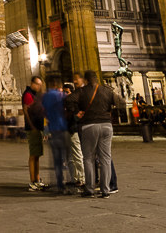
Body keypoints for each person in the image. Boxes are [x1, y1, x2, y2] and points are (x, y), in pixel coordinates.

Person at [76, 70, 117, 198]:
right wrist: (110, 112)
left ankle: (90, 189)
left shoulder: (82, 91)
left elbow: (68, 100)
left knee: (88, 158)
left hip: (90, 125)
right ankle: (106, 190)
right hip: (106, 125)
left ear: (86, 80)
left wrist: (78, 112)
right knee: (105, 158)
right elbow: (120, 101)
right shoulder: (107, 90)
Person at [41, 77, 71, 194]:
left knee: (56, 160)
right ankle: (70, 183)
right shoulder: (60, 95)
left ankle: (59, 184)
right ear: (56, 84)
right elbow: (69, 104)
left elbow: (43, 111)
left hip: (52, 130)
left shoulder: (45, 96)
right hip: (63, 129)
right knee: (68, 159)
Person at [22, 76, 46, 191]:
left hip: (37, 127)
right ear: (32, 83)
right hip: (33, 129)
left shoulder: (34, 95)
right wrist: (32, 127)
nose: (39, 87)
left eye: (40, 85)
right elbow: (28, 112)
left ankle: (37, 179)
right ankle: (33, 181)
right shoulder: (28, 95)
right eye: (37, 84)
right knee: (33, 155)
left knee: (37, 155)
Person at [62, 80, 85, 187]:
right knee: (69, 157)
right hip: (65, 130)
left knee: (77, 154)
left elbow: (76, 117)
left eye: (66, 92)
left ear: (71, 92)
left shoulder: (75, 103)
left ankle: (82, 178)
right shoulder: (63, 103)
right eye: (63, 92)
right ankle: (73, 178)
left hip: (73, 130)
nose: (64, 94)